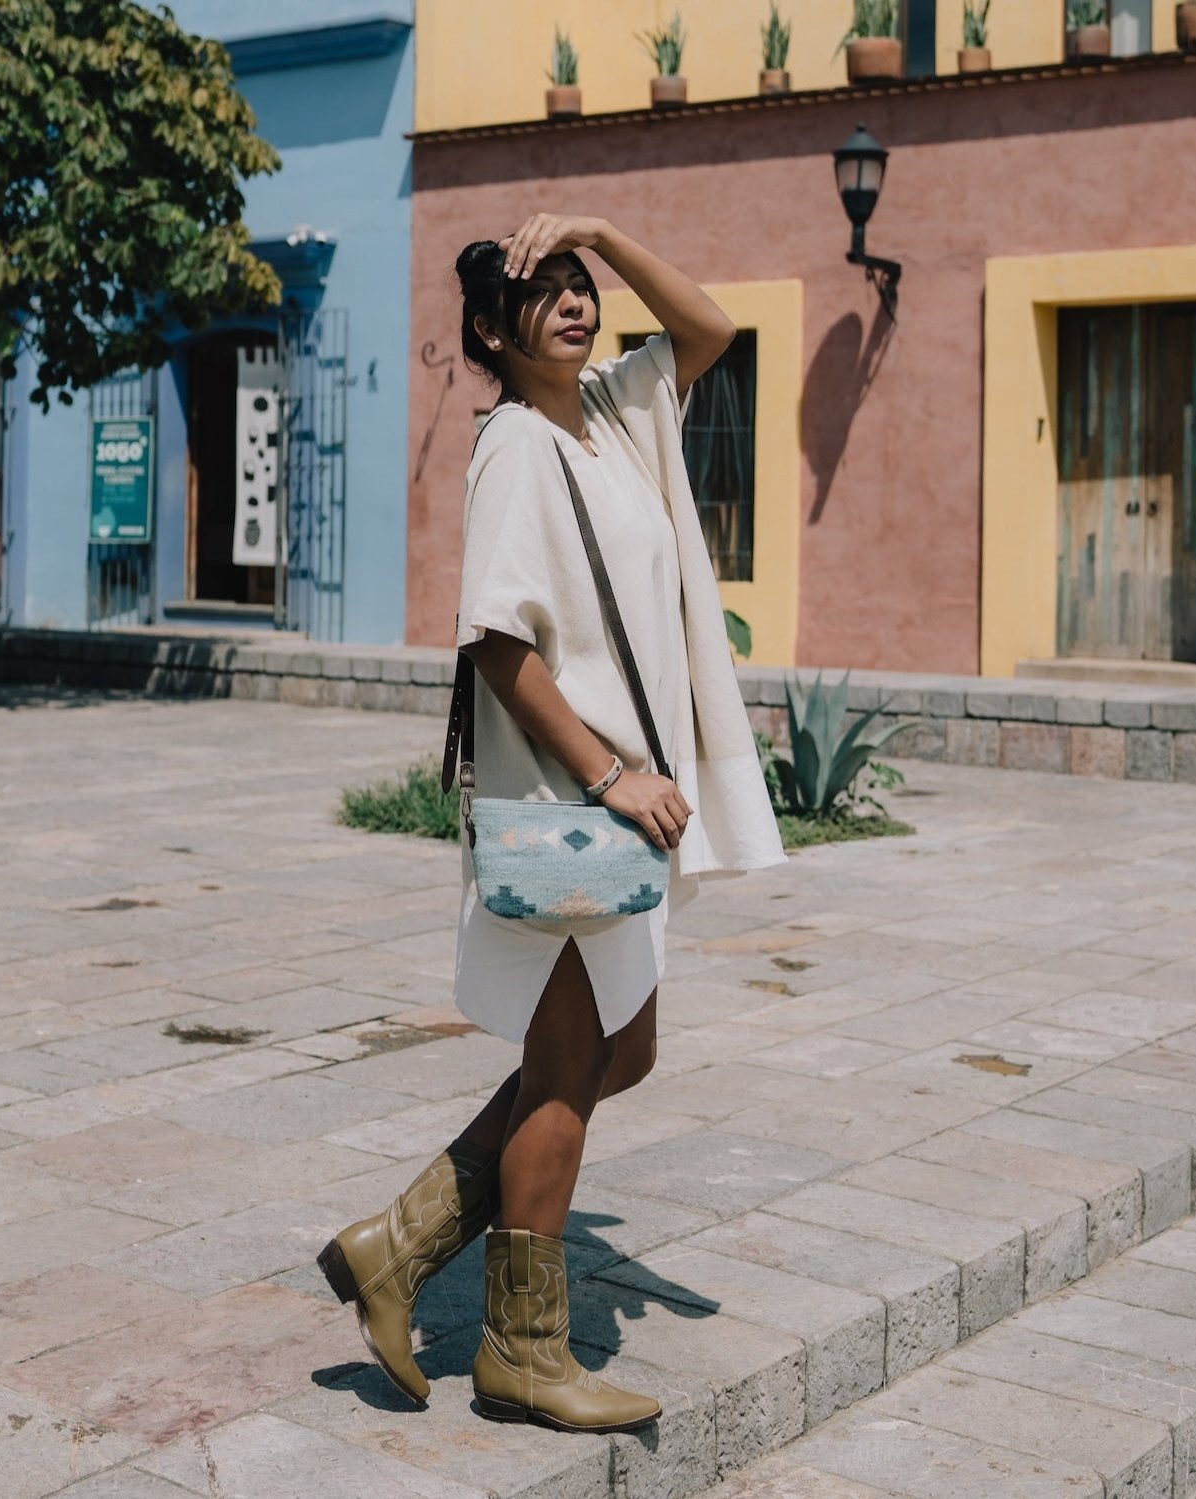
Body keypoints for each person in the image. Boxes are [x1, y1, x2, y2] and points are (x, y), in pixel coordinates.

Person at [319, 215, 783, 1434]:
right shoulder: (518, 445)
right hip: (574, 798)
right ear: (490, 331)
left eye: (582, 289)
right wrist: (613, 771)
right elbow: (500, 643)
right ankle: (522, 1350)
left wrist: (601, 234)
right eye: (546, 293)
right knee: (576, 1061)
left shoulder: (619, 415)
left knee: (618, 1052)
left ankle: (397, 1242)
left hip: (617, 799)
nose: (575, 304)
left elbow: (712, 329)